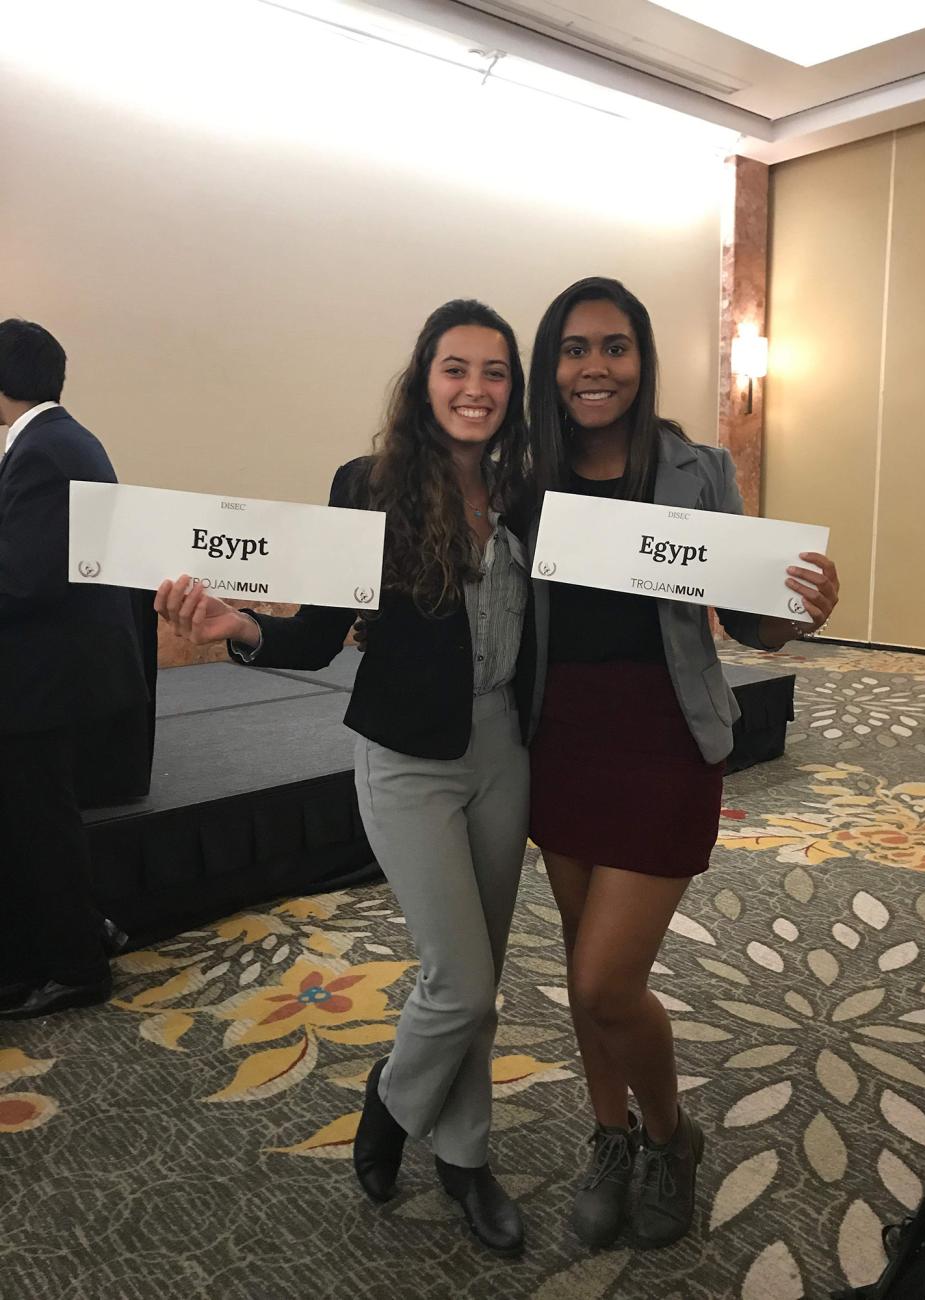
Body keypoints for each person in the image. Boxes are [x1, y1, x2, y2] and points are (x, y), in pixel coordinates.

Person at [156, 300, 532, 1256]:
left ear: (512, 391)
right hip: (408, 759)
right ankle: (392, 1105)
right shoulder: (367, 489)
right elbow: (316, 634)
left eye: (494, 372)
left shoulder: (530, 491)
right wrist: (237, 629)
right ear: (424, 378)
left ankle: (467, 1155)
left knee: (478, 983)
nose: (475, 389)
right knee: (458, 980)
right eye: (457, 368)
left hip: (506, 753)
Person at [522, 277, 839, 1250]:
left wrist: (794, 613)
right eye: (575, 348)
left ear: (641, 359)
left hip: (662, 742)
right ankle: (607, 1137)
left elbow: (748, 617)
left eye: (615, 347)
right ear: (553, 365)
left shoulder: (697, 467)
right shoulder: (522, 473)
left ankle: (670, 1137)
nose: (595, 367)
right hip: (559, 741)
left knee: (608, 979)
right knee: (582, 970)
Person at [0, 319, 146, 1020]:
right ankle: (85, 933)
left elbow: (23, 580)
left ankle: (76, 966)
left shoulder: (42, 451)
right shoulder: (64, 439)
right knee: (43, 816)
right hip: (60, 669)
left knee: (40, 822)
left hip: (45, 676)